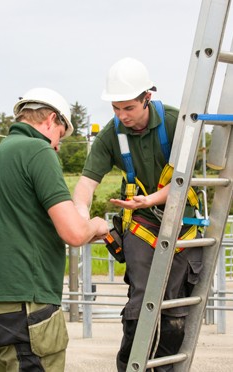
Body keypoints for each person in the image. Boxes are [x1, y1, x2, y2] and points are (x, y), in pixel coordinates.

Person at [73, 57, 203, 372]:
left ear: (147, 97)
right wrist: (80, 218)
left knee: (172, 298)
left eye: (128, 108)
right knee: (142, 296)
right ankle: (132, 367)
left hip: (181, 221)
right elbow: (86, 185)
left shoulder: (176, 122)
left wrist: (150, 200)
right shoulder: (111, 134)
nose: (121, 116)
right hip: (141, 224)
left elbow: (182, 180)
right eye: (115, 108)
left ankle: (165, 368)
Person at [0, 87, 109, 372]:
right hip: (27, 301)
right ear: (51, 120)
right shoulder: (37, 150)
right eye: (60, 138)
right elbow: (75, 233)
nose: (57, 147)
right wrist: (96, 225)